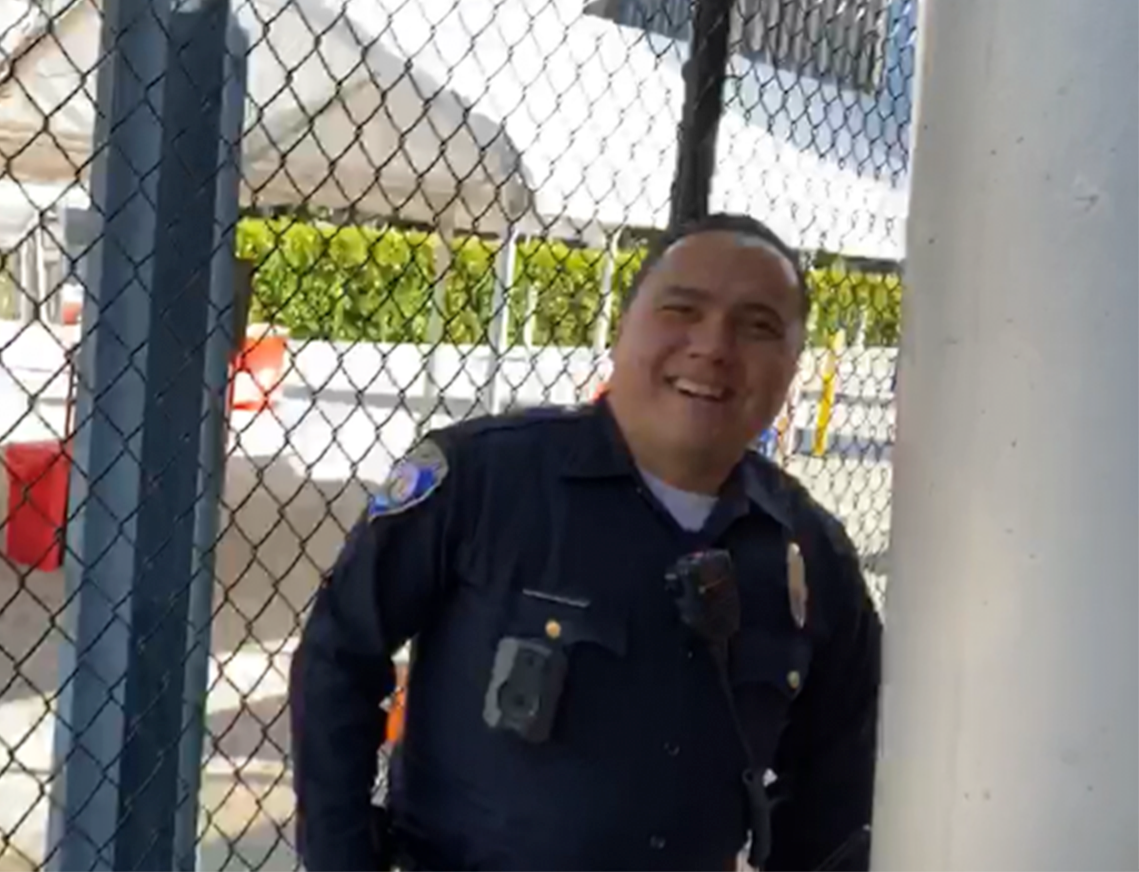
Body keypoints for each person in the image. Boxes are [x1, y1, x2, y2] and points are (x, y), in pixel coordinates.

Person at [291, 215, 881, 872]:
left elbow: (841, 768)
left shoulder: (810, 551)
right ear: (623, 329)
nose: (714, 346)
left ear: (794, 363)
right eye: (682, 309)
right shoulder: (484, 481)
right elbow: (338, 656)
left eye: (759, 326)